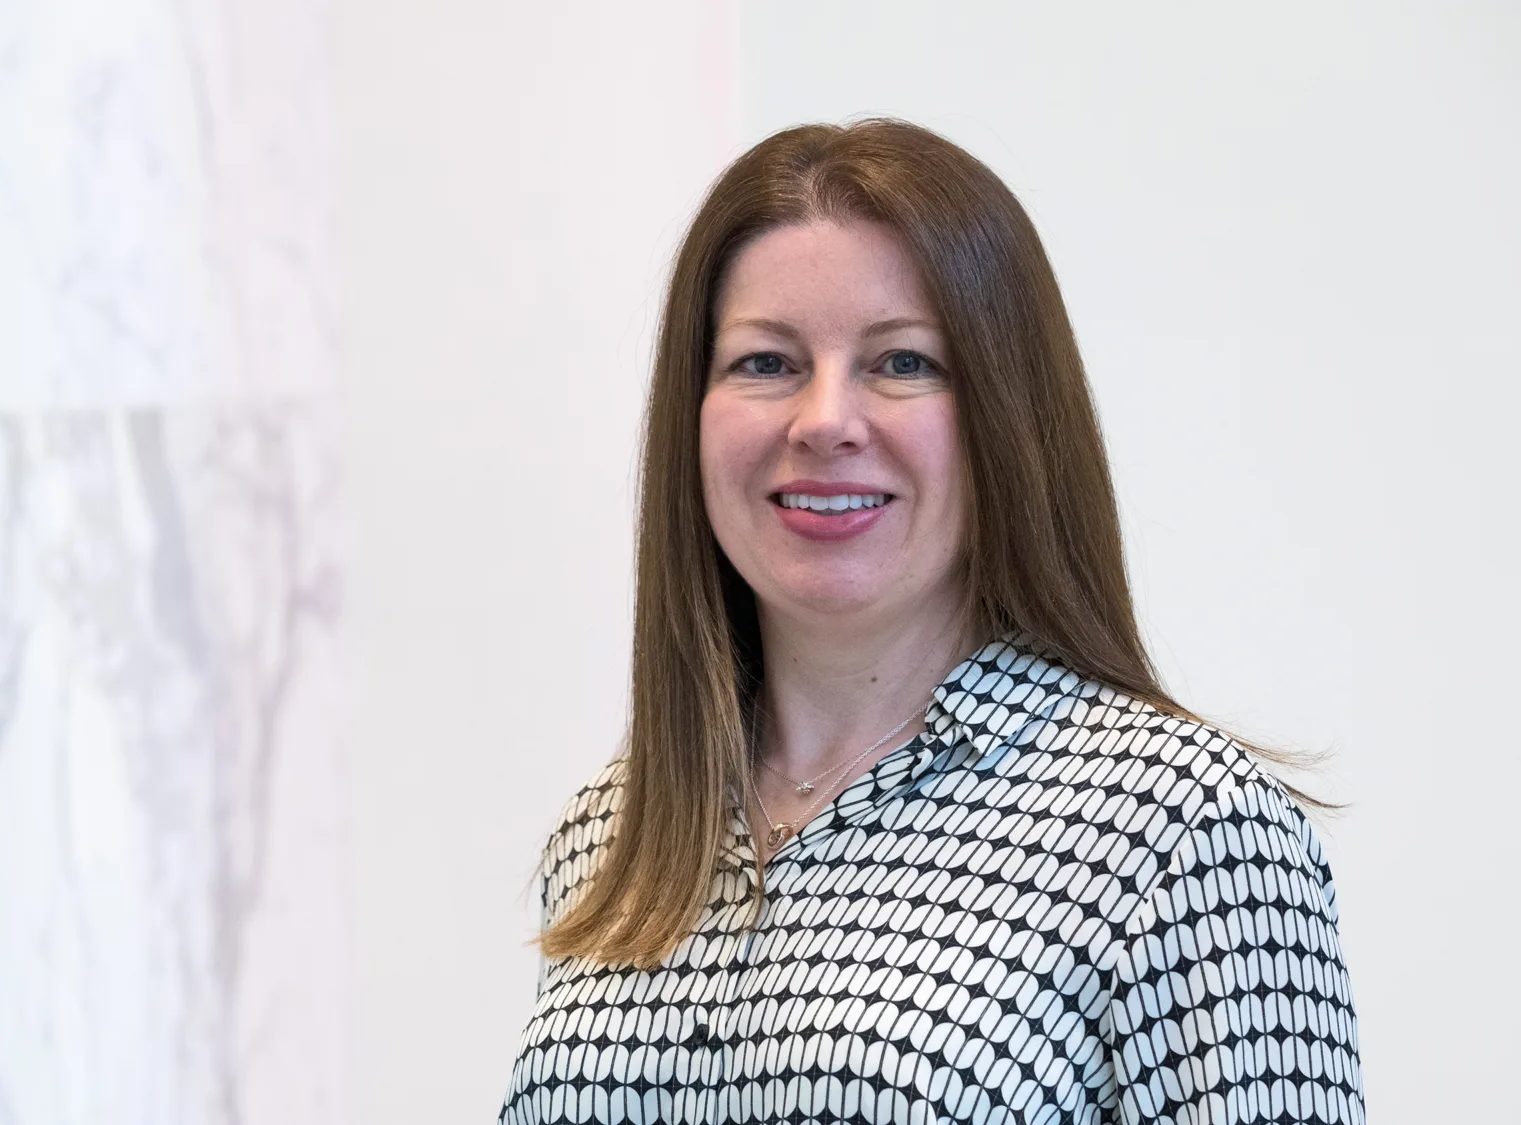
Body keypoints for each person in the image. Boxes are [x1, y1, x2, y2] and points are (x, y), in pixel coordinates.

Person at [499, 119, 1363, 1125]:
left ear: (1007, 416)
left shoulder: (1182, 832)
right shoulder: (613, 834)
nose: (822, 420)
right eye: (764, 363)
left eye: (901, 363)